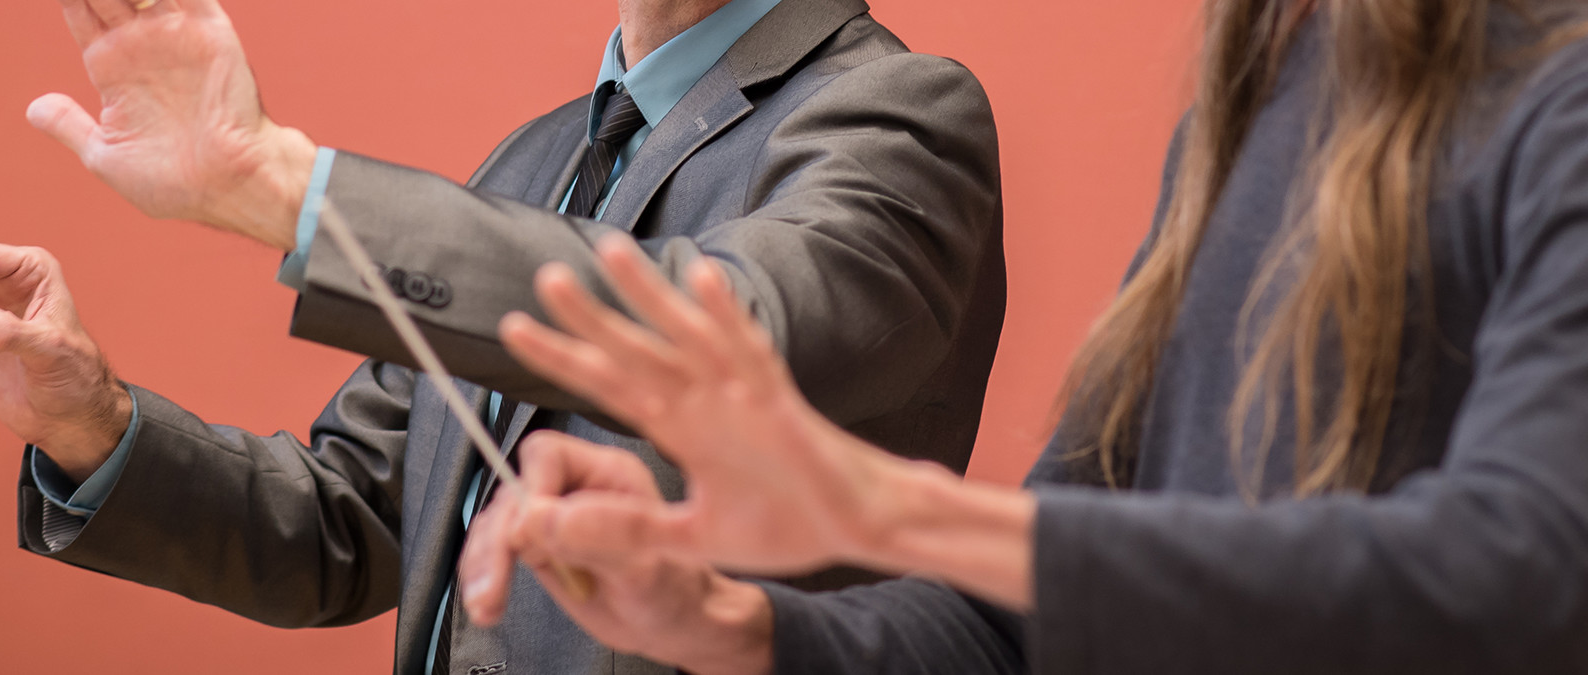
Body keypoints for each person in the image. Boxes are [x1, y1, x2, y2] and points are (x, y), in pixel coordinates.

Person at [0, 0, 1005, 672]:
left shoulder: (898, 111)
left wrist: (280, 186)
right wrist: (91, 421)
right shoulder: (532, 161)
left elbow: (726, 330)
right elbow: (347, 522)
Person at [459, 0, 1588, 673]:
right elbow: (1026, 630)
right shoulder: (1250, 119)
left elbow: (1524, 580)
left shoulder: (1557, 89)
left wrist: (881, 506)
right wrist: (727, 622)